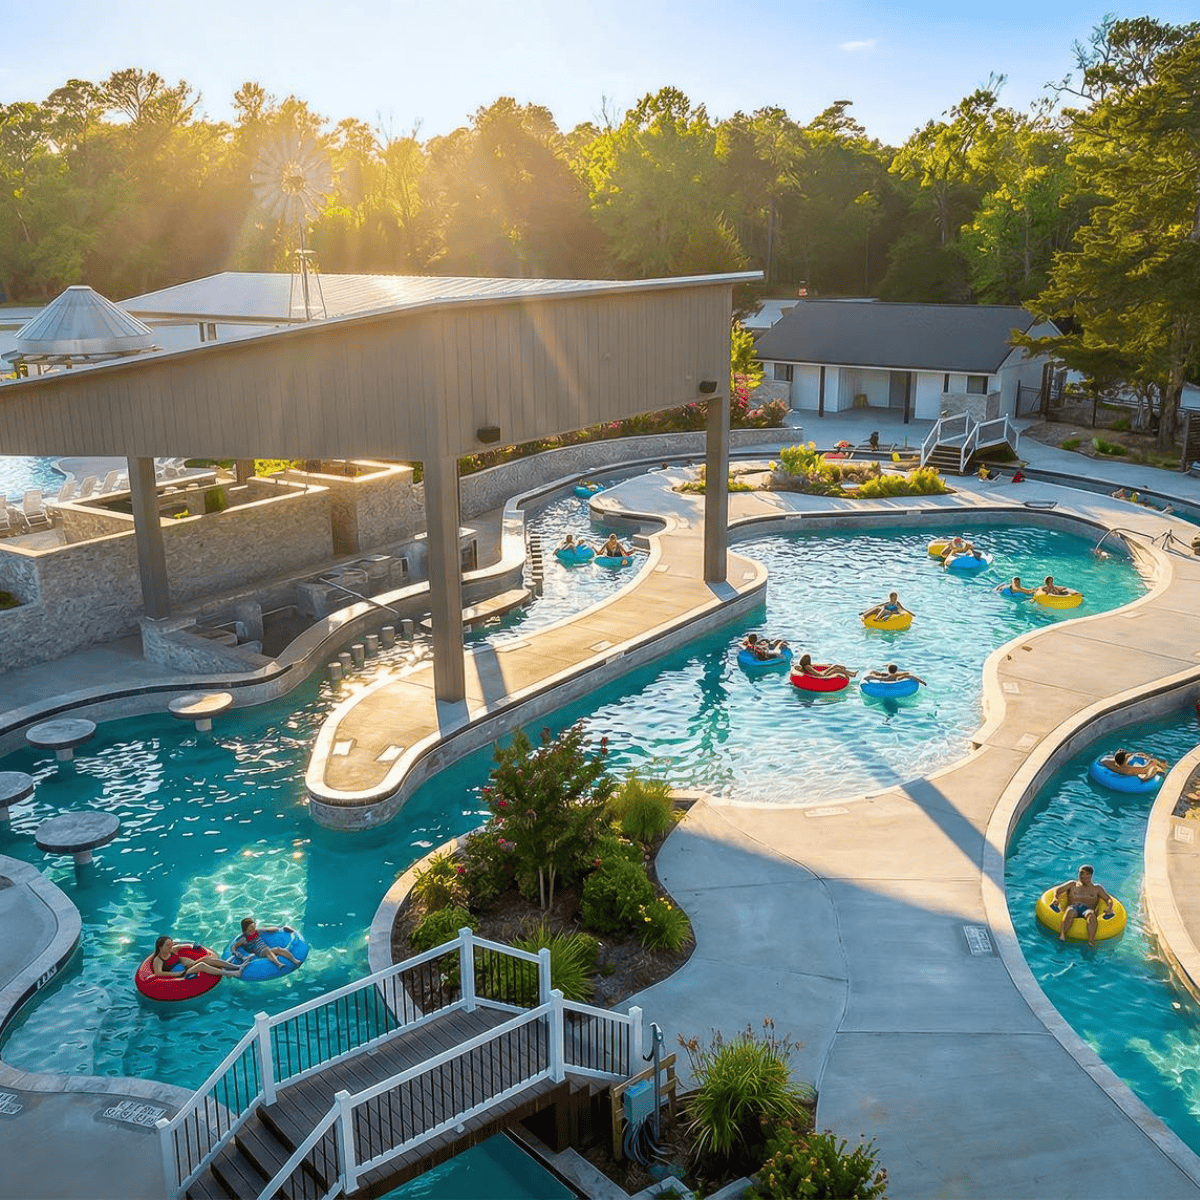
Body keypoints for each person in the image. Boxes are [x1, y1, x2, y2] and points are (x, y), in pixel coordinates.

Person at [1053, 865, 1114, 947]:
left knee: (1091, 915)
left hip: (1088, 909)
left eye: (1085, 874)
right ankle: (1063, 936)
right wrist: (1055, 898)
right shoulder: (1073, 884)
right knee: (1070, 911)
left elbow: (1108, 899)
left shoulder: (1097, 888)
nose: (1082, 876)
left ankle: (1091, 941)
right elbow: (1058, 890)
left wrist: (1109, 908)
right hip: (1073, 907)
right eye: (1081, 873)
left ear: (1090, 876)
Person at [150, 936, 244, 981]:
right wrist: (178, 973)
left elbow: (183, 946)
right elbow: (159, 973)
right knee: (201, 965)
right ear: (160, 947)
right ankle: (230, 973)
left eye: (171, 943)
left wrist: (193, 946)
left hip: (186, 968)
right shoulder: (158, 960)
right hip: (179, 975)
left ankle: (236, 966)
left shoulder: (172, 950)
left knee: (207, 959)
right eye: (168, 944)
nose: (171, 945)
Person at [231, 917, 302, 969]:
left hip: (266, 949)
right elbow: (234, 946)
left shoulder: (257, 932)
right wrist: (235, 952)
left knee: (278, 949)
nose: (252, 930)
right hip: (259, 953)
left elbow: (269, 929)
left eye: (253, 927)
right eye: (250, 929)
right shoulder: (244, 938)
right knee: (267, 950)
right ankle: (278, 964)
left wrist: (281, 928)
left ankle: (295, 961)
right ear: (245, 929)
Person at [1103, 748, 1168, 780]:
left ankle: (1160, 765)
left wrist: (1137, 755)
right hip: (1141, 771)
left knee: (1144, 756)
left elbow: (1104, 760)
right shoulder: (1128, 768)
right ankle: (1163, 767)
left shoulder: (1109, 762)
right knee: (1154, 763)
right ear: (1125, 759)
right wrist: (1150, 761)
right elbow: (1145, 767)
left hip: (1119, 766)